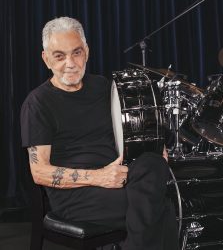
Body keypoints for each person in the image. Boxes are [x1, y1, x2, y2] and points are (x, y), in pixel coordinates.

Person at [20, 16, 179, 250]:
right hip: (77, 193)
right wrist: (99, 177)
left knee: (153, 164)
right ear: (46, 59)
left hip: (119, 175)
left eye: (76, 53)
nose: (70, 63)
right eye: (59, 56)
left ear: (87, 51)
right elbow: (40, 172)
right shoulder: (38, 103)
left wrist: (155, 147)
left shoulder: (102, 87)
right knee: (159, 207)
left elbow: (129, 133)